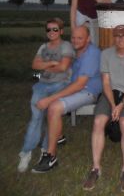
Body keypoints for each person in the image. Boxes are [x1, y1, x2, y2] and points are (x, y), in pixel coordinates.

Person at [32, 26, 102, 173]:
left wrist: (51, 98)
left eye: (80, 38)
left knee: (53, 106)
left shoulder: (92, 54)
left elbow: (79, 85)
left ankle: (51, 157)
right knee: (46, 98)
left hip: (88, 91)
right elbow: (66, 68)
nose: (75, 41)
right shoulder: (76, 50)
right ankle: (59, 136)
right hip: (74, 85)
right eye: (73, 37)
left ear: (88, 39)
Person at [82, 25, 124, 192]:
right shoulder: (106, 54)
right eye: (117, 36)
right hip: (110, 94)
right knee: (98, 121)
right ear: (113, 37)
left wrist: (122, 104)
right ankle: (95, 168)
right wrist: (112, 104)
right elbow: (106, 82)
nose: (120, 39)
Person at [17, 18, 74, 173]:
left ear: (61, 31)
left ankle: (45, 149)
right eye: (48, 29)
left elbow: (63, 67)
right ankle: (26, 152)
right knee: (35, 117)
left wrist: (46, 66)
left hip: (60, 84)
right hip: (42, 85)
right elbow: (34, 65)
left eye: (55, 29)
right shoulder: (43, 46)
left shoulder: (66, 46)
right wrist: (51, 64)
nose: (51, 32)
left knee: (51, 115)